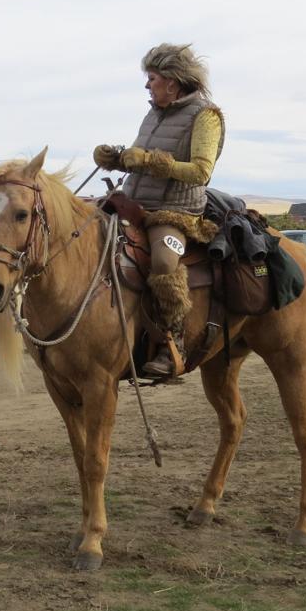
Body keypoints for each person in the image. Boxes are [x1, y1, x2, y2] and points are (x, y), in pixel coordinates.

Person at [93, 43, 225, 378]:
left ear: (172, 81)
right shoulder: (153, 113)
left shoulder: (206, 116)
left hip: (175, 212)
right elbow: (141, 160)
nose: (147, 85)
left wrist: (151, 160)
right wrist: (117, 159)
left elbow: (201, 172)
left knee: (165, 262)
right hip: (134, 202)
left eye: (152, 78)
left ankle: (172, 343)